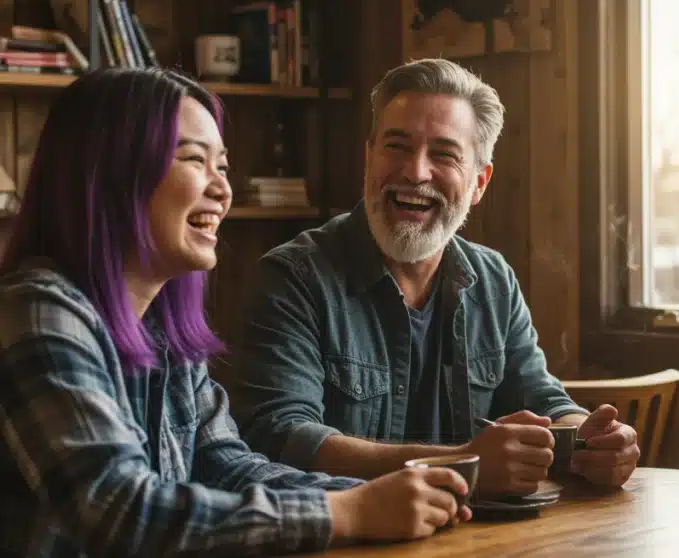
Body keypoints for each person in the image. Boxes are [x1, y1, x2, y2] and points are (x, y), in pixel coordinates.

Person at [0, 69, 475, 557]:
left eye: (222, 166)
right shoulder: (36, 313)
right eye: (194, 159)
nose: (222, 190)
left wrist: (382, 498)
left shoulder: (162, 333)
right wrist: (349, 512)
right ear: (110, 173)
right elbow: (117, 508)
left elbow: (226, 465)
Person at [230, 58, 639, 496]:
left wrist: (592, 439)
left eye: (443, 154)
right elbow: (281, 437)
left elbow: (543, 400)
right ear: (369, 158)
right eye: (397, 146)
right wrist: (464, 463)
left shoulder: (493, 280)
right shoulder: (293, 277)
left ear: (479, 183)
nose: (415, 172)